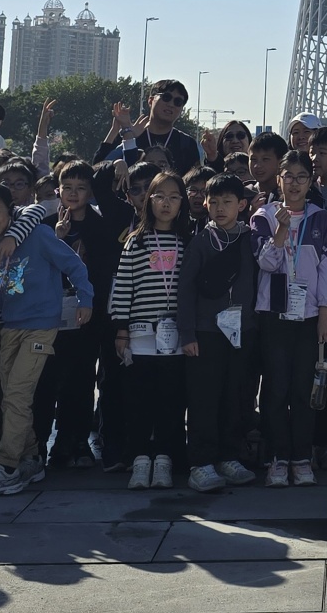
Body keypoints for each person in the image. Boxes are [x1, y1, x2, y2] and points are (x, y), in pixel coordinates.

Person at [0, 182, 94, 499]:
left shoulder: (37, 235)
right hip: (10, 327)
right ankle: (32, 458)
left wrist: (85, 299)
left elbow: (73, 265)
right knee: (11, 398)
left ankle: (7, 467)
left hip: (41, 327)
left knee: (18, 396)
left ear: (9, 210)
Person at [251, 150, 327, 487]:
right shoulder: (263, 216)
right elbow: (266, 263)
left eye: (302, 177)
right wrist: (282, 231)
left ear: (310, 181)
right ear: (279, 180)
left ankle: (301, 456)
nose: (295, 183)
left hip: (309, 316)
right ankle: (278, 457)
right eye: (289, 177)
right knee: (275, 389)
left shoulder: (320, 218)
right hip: (274, 314)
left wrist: (325, 311)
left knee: (304, 389)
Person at [111, 172, 193, 490]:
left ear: (182, 202)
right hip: (141, 337)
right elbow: (123, 288)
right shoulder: (137, 240)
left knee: (171, 402)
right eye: (159, 196)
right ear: (149, 201)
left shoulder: (188, 240)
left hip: (176, 339)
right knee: (139, 402)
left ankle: (164, 459)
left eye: (173, 197)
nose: (166, 203)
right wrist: (121, 331)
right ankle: (140, 458)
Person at [178, 172, 259, 492]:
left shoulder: (251, 239)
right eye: (214, 202)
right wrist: (187, 334)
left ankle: (229, 456)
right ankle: (201, 462)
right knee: (204, 398)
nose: (220, 208)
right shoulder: (200, 241)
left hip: (242, 331)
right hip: (205, 332)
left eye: (227, 202)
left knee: (235, 396)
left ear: (242, 205)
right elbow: (185, 289)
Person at [34, 160, 117, 470]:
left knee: (81, 379)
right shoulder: (46, 225)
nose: (73, 193)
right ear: (58, 190)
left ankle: (77, 441)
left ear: (90, 191)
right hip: (50, 314)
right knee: (47, 379)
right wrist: (58, 239)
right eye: (67, 187)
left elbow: (104, 272)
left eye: (81, 188)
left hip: (86, 313)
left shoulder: (101, 226)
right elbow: (37, 268)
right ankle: (42, 444)